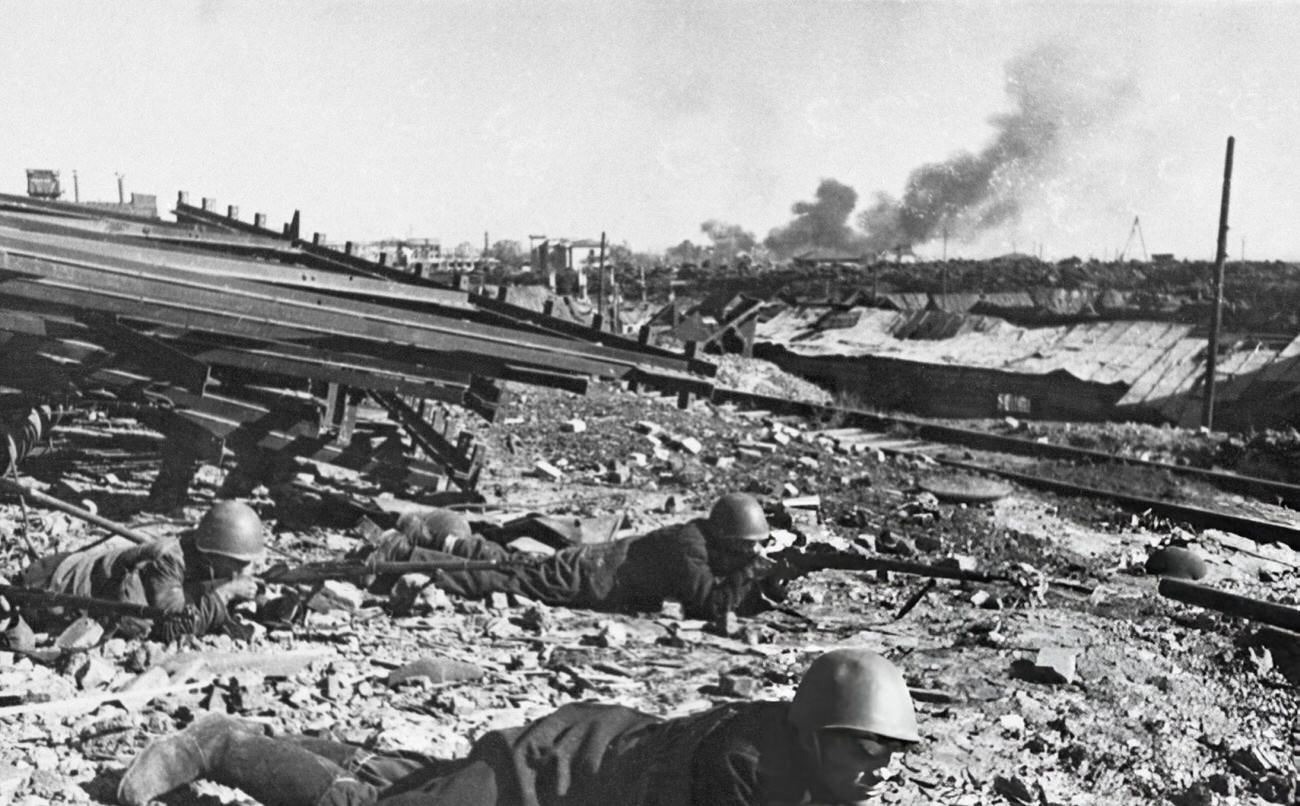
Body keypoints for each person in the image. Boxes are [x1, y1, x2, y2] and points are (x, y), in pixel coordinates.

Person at [118, 647, 922, 806]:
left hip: (594, 757)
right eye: (869, 749)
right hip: (554, 773)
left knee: (417, 777)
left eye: (891, 754)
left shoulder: (803, 767)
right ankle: (218, 746)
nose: (882, 768)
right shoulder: (743, 770)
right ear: (816, 734)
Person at [368, 493, 783, 621]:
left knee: (512, 563)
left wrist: (766, 580)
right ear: (727, 536)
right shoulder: (690, 549)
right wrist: (750, 571)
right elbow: (710, 603)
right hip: (587, 577)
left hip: (593, 567)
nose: (752, 550)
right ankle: (404, 554)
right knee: (502, 577)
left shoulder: (701, 539)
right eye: (748, 544)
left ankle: (426, 541)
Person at [7, 499, 265, 642]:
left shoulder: (199, 555)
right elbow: (169, 627)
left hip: (64, 572)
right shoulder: (169, 561)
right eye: (239, 564)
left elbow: (191, 598)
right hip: (49, 584)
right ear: (214, 554)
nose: (245, 570)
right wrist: (225, 594)